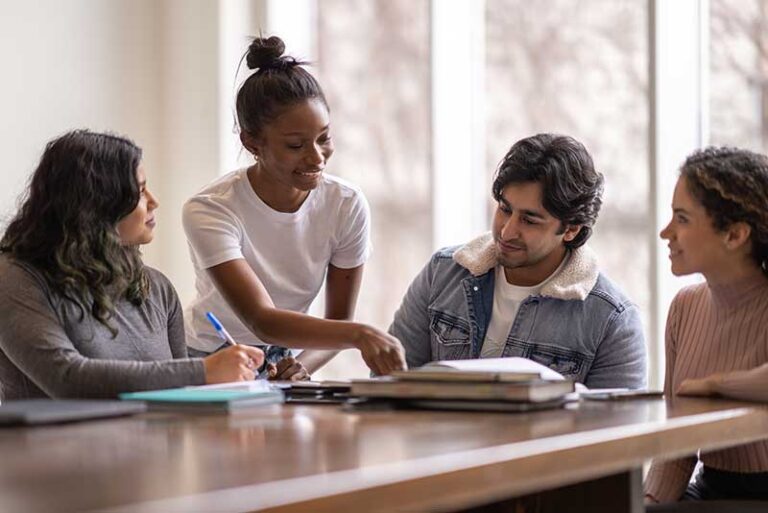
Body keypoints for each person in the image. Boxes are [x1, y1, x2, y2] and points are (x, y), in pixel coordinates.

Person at [182, 35, 405, 377]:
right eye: (295, 145)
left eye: (324, 138)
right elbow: (261, 320)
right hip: (209, 359)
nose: (316, 157)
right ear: (251, 142)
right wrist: (362, 334)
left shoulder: (345, 205)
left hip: (278, 361)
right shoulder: (210, 209)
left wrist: (302, 367)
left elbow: (337, 321)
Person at [0, 130, 267, 401]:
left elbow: (182, 396)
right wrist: (204, 371)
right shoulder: (15, 277)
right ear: (97, 202)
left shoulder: (157, 288)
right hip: (52, 444)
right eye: (140, 191)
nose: (153, 201)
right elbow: (66, 378)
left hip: (152, 443)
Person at [389, 133, 647, 389]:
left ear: (571, 229)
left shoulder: (612, 320)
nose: (507, 231)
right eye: (505, 209)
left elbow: (618, 427)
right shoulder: (443, 273)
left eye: (529, 220)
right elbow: (389, 383)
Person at [644, 147, 768, 506]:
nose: (666, 232)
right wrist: (649, 502)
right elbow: (677, 444)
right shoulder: (685, 307)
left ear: (734, 235)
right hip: (710, 489)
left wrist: (715, 386)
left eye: (682, 219)